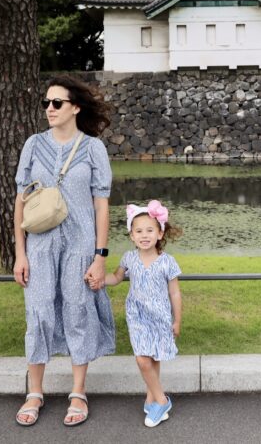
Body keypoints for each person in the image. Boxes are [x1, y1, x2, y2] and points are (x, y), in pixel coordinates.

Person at [13, 75, 116, 427]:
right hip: (40, 246)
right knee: (38, 312)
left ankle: (78, 391)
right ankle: (35, 391)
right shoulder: (32, 145)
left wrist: (100, 256)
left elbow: (101, 205)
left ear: (75, 107)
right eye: (46, 103)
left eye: (57, 103)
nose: (49, 109)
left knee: (77, 311)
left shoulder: (93, 148)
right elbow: (21, 201)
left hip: (80, 245)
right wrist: (20, 252)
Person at [105, 199, 183, 428]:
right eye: (138, 231)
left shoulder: (167, 262)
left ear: (160, 233)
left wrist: (177, 320)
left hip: (159, 317)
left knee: (154, 356)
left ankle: (151, 398)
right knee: (142, 358)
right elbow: (117, 278)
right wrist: (100, 280)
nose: (144, 235)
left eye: (150, 230)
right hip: (137, 316)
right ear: (131, 235)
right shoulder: (129, 258)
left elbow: (175, 294)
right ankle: (162, 399)